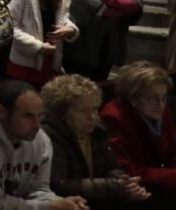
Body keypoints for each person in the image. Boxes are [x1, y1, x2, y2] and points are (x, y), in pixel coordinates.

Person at [0, 82, 92, 210]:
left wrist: (64, 206)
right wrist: (49, 208)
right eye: (28, 116)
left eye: (40, 116)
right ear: (1, 112)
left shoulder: (40, 138)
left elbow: (39, 189)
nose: (37, 125)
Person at [40, 74, 151, 202]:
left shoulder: (97, 130)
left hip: (95, 202)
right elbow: (60, 185)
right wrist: (115, 186)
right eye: (83, 111)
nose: (92, 117)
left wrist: (126, 184)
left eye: (94, 109)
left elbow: (112, 168)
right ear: (61, 112)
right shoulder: (50, 136)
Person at [100, 61, 176, 193]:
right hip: (135, 191)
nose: (160, 104)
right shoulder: (113, 117)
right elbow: (127, 170)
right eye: (153, 98)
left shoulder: (161, 109)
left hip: (165, 183)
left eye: (164, 98)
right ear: (133, 97)